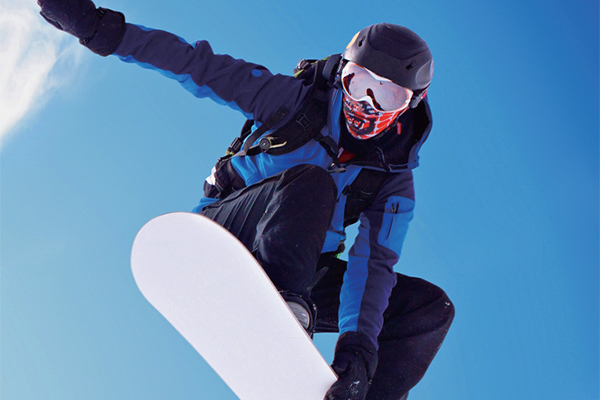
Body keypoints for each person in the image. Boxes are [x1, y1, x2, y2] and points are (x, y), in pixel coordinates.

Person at [38, 1, 455, 399]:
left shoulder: (392, 182)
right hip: (230, 232)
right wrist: (99, 29)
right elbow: (196, 65)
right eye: (358, 83)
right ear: (343, 74)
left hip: (303, 267)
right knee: (312, 183)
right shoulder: (292, 101)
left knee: (428, 309)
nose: (366, 103)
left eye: (387, 96)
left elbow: (373, 265)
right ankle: (284, 312)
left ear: (411, 103)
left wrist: (357, 350)